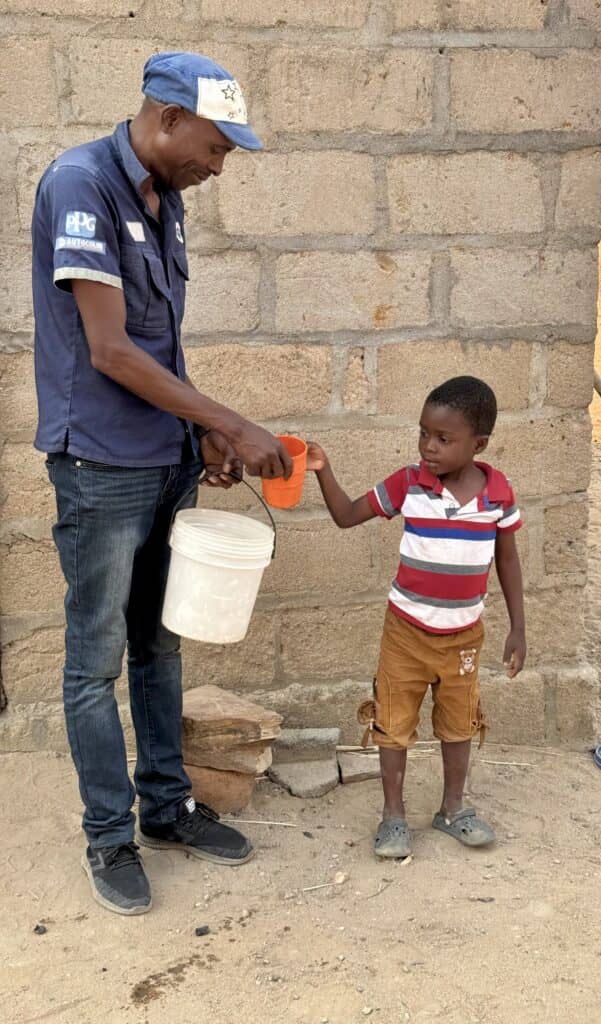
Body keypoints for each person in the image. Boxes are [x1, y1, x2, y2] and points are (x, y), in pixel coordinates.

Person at [32, 52, 294, 916]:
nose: (218, 168)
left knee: (160, 641)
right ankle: (109, 836)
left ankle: (167, 809)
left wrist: (198, 434)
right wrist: (234, 422)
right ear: (168, 118)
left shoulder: (164, 199)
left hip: (163, 460)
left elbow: (159, 349)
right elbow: (110, 350)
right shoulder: (82, 184)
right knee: (94, 660)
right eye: (215, 148)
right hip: (101, 466)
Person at [306, 377, 526, 858]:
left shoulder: (498, 495)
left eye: (444, 439)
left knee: (460, 723)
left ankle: (453, 809)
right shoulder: (409, 484)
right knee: (393, 721)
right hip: (405, 634)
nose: (429, 446)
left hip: (463, 637)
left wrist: (518, 628)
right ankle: (393, 817)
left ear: (478, 444)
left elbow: (507, 560)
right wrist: (323, 470)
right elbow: (346, 515)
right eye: (424, 433)